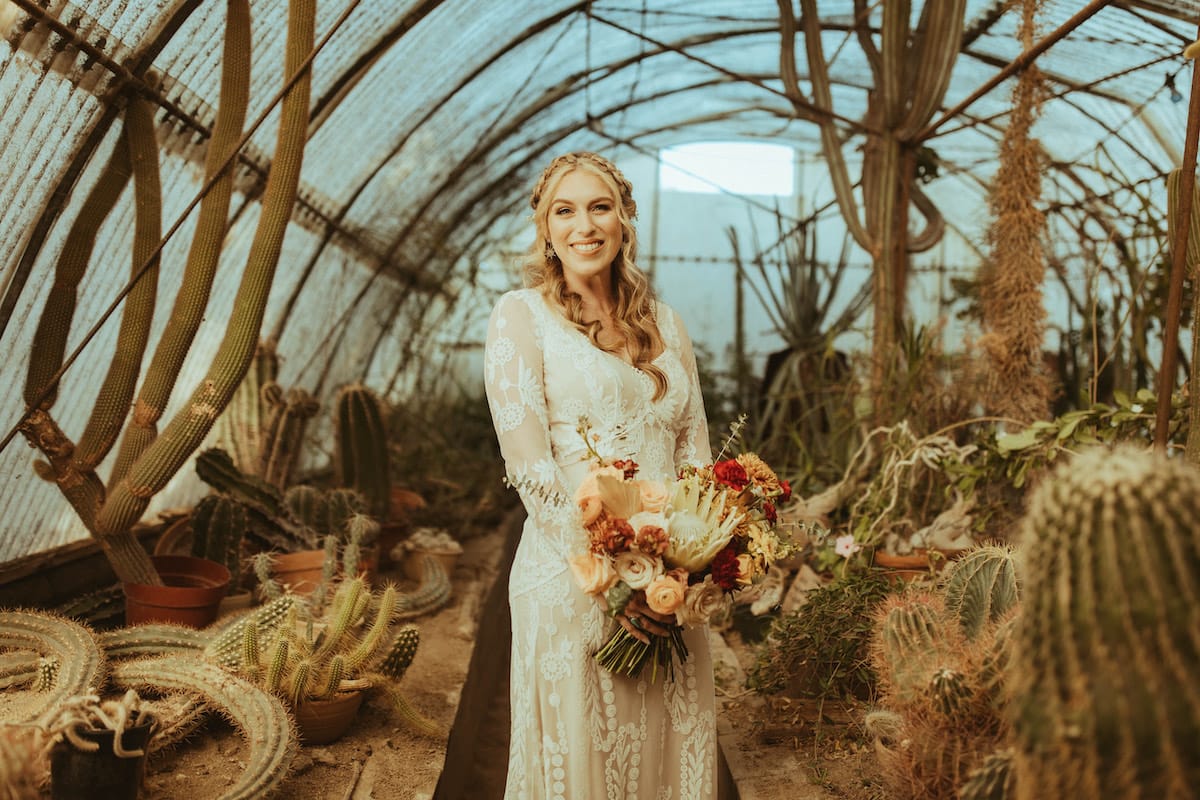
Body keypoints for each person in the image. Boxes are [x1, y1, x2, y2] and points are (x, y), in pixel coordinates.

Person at [484, 151, 716, 799]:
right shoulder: (520, 317)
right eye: (565, 211)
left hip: (670, 592)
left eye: (599, 207)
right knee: (584, 765)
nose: (584, 225)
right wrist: (620, 584)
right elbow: (531, 471)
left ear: (624, 219)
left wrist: (682, 569)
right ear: (546, 230)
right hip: (574, 580)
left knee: (664, 759)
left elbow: (696, 456)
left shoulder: (668, 325)